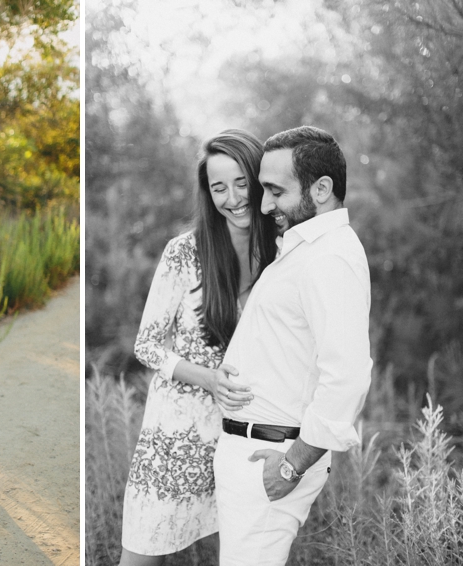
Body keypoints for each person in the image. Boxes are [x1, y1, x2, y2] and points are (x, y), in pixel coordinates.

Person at [213, 126, 372, 566]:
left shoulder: (330, 257)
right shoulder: (305, 249)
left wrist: (291, 466)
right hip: (250, 453)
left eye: (275, 191)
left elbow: (348, 376)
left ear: (321, 189)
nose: (264, 206)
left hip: (273, 458)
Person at [120, 130, 278, 565]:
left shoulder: (281, 254)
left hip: (245, 436)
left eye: (242, 182)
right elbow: (147, 346)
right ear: (208, 194)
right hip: (176, 436)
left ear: (260, 178)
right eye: (218, 187)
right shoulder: (184, 253)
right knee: (143, 553)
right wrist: (207, 378)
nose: (233, 197)